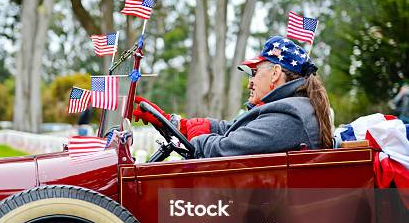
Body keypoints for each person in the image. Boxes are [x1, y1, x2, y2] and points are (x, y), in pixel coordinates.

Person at [133, 35, 333, 158]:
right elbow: (233, 129)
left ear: (275, 73)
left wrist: (193, 140)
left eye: (254, 73)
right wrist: (176, 124)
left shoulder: (290, 115)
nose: (250, 83)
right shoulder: (290, 108)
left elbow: (224, 149)